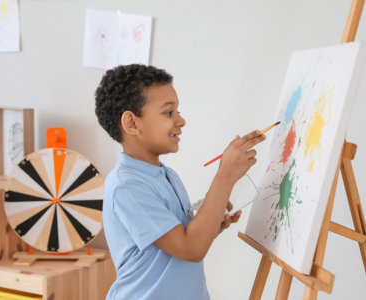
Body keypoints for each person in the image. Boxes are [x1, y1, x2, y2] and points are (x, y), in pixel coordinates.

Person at [95, 64, 265, 300]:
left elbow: (177, 246)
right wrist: (224, 176)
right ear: (132, 123)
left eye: (178, 111)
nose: (181, 120)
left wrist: (210, 223)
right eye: (169, 113)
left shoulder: (167, 175)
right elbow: (190, 249)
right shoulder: (127, 186)